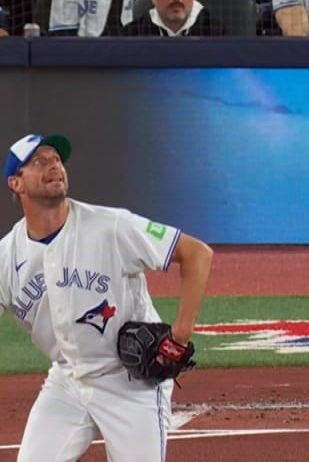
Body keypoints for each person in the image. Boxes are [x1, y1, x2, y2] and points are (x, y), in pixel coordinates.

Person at [1, 133, 213, 459]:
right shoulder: (6, 256)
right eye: (38, 162)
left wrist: (180, 336)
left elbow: (197, 253)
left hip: (130, 384)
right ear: (16, 183)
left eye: (56, 159)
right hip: (67, 381)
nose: (54, 166)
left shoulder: (111, 226)